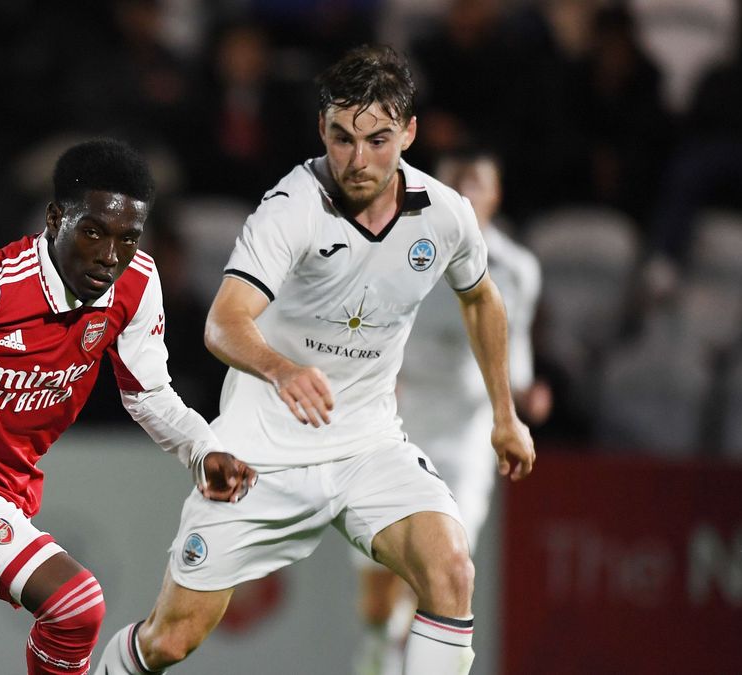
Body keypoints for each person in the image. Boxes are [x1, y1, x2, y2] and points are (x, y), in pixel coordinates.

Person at [96, 45, 535, 675]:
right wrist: (282, 369)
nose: (358, 160)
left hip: (367, 445)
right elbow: (224, 323)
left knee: (450, 569)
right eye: (341, 138)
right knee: (171, 640)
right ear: (321, 131)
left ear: (408, 133)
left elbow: (482, 298)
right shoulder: (291, 207)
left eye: (378, 140)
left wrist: (505, 415)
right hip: (260, 455)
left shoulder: (445, 216)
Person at [0, 139, 257, 675]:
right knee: (75, 606)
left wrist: (204, 449)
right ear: (57, 218)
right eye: (94, 231)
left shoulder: (136, 281)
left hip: (5, 489)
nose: (109, 255)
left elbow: (147, 394)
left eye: (127, 238)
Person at [353, 149, 552, 675]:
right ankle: (380, 643)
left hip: (467, 436)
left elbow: (516, 353)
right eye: (456, 182)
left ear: (495, 194)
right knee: (381, 585)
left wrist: (522, 401)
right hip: (398, 426)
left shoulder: (517, 270)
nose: (466, 193)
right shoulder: (396, 249)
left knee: (448, 565)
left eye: (477, 183)